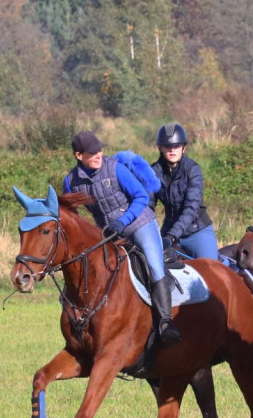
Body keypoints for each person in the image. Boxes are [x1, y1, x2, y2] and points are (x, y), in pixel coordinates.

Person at [63, 130, 182, 344]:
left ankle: (165, 323)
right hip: (108, 234)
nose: (99, 155)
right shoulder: (71, 181)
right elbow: (72, 217)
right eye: (92, 153)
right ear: (79, 156)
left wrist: (123, 221)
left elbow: (142, 196)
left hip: (139, 224)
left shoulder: (116, 169)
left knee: (155, 266)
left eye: (99, 150)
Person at [149, 123, 219, 260]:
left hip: (196, 231)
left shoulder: (193, 169)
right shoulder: (153, 171)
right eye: (168, 146)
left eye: (176, 146)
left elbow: (191, 208)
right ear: (160, 148)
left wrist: (172, 235)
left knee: (211, 268)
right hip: (169, 231)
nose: (172, 150)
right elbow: (148, 205)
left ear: (184, 147)